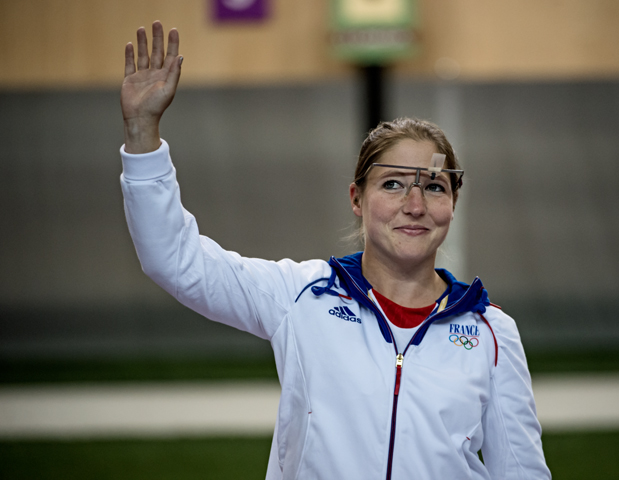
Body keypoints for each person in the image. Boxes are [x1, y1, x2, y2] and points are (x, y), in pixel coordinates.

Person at [120, 21, 551, 480]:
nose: (415, 205)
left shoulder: (491, 332)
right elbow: (174, 260)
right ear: (357, 199)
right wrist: (142, 133)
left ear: (453, 203)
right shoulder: (300, 296)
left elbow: (522, 473)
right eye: (392, 184)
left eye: (434, 186)